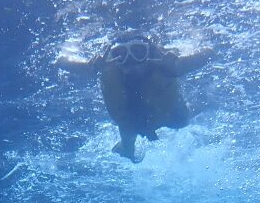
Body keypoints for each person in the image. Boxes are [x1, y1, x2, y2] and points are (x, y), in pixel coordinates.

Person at [58, 31, 213, 162]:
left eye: (138, 52)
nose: (131, 62)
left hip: (171, 115)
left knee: (182, 122)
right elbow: (61, 62)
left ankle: (127, 147)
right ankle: (127, 150)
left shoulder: (168, 65)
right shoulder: (104, 68)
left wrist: (178, 64)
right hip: (131, 118)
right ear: (113, 58)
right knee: (128, 128)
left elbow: (210, 52)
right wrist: (91, 66)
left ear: (149, 53)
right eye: (120, 55)